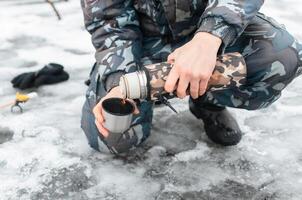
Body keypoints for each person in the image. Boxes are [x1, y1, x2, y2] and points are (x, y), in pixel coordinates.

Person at [80, 0, 302, 155]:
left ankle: (208, 101)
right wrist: (120, 81)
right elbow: (109, 22)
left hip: (210, 35)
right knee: (111, 139)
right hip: (143, 44)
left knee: (282, 57)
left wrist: (210, 37)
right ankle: (148, 93)